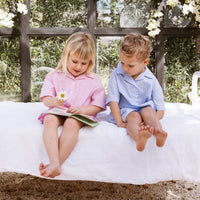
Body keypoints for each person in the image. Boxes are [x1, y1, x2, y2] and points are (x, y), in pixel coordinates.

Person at [38, 32, 106, 178]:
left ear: (90, 62)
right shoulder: (54, 76)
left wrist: (82, 110)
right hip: (59, 111)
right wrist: (54, 102)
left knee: (71, 123)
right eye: (75, 61)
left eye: (84, 63)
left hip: (80, 115)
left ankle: (56, 164)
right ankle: (54, 161)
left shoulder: (93, 80)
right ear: (66, 56)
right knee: (49, 119)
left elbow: (98, 106)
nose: (79, 66)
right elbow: (46, 99)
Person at [106, 33, 167, 152]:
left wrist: (146, 121)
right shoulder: (116, 75)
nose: (124, 68)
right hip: (127, 110)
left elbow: (160, 108)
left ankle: (159, 133)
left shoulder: (150, 79)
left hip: (144, 109)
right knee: (134, 117)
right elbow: (113, 100)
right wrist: (119, 122)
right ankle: (139, 138)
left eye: (130, 65)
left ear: (145, 62)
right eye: (122, 63)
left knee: (149, 111)